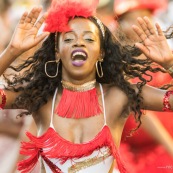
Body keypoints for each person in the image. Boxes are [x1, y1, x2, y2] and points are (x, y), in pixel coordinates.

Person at [0, 0, 173, 172]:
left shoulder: (119, 96)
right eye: (68, 39)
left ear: (101, 53)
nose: (79, 43)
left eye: (89, 39)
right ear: (57, 52)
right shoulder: (42, 98)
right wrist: (12, 50)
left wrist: (169, 62)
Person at [113, 0, 173, 172]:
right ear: (119, 26)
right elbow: (143, 114)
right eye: (130, 20)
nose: (137, 25)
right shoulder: (116, 66)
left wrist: (169, 63)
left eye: (144, 17)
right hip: (131, 154)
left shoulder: (165, 55)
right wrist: (170, 147)